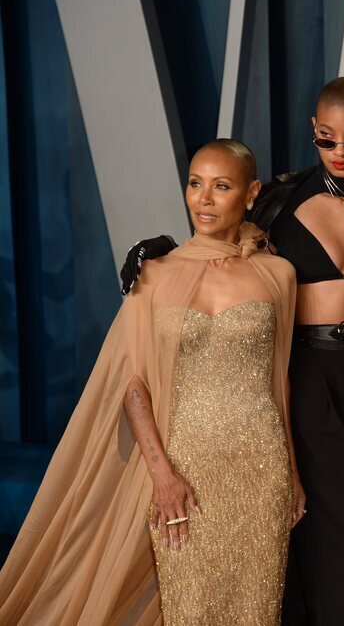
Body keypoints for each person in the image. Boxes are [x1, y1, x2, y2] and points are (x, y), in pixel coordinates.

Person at [120, 78, 344, 625]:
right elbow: (221, 241)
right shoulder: (282, 199)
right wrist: (163, 250)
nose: (339, 152)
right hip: (311, 376)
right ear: (313, 132)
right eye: (326, 140)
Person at [0, 139, 304, 625]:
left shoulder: (278, 275)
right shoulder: (154, 273)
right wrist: (163, 474)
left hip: (260, 468)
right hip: (183, 468)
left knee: (255, 610)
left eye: (221, 186)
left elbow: (279, 382)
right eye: (195, 183)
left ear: (251, 193)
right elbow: (133, 385)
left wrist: (291, 472)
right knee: (189, 606)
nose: (203, 199)